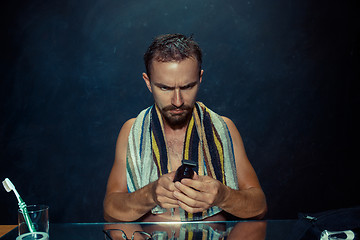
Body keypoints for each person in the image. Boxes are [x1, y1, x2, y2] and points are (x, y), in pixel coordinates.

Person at [104, 33, 267, 222]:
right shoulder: (132, 131)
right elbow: (110, 210)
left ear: (200, 78)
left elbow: (259, 207)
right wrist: (150, 194)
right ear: (148, 82)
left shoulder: (224, 128)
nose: (177, 101)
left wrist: (224, 196)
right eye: (165, 88)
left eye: (187, 87)